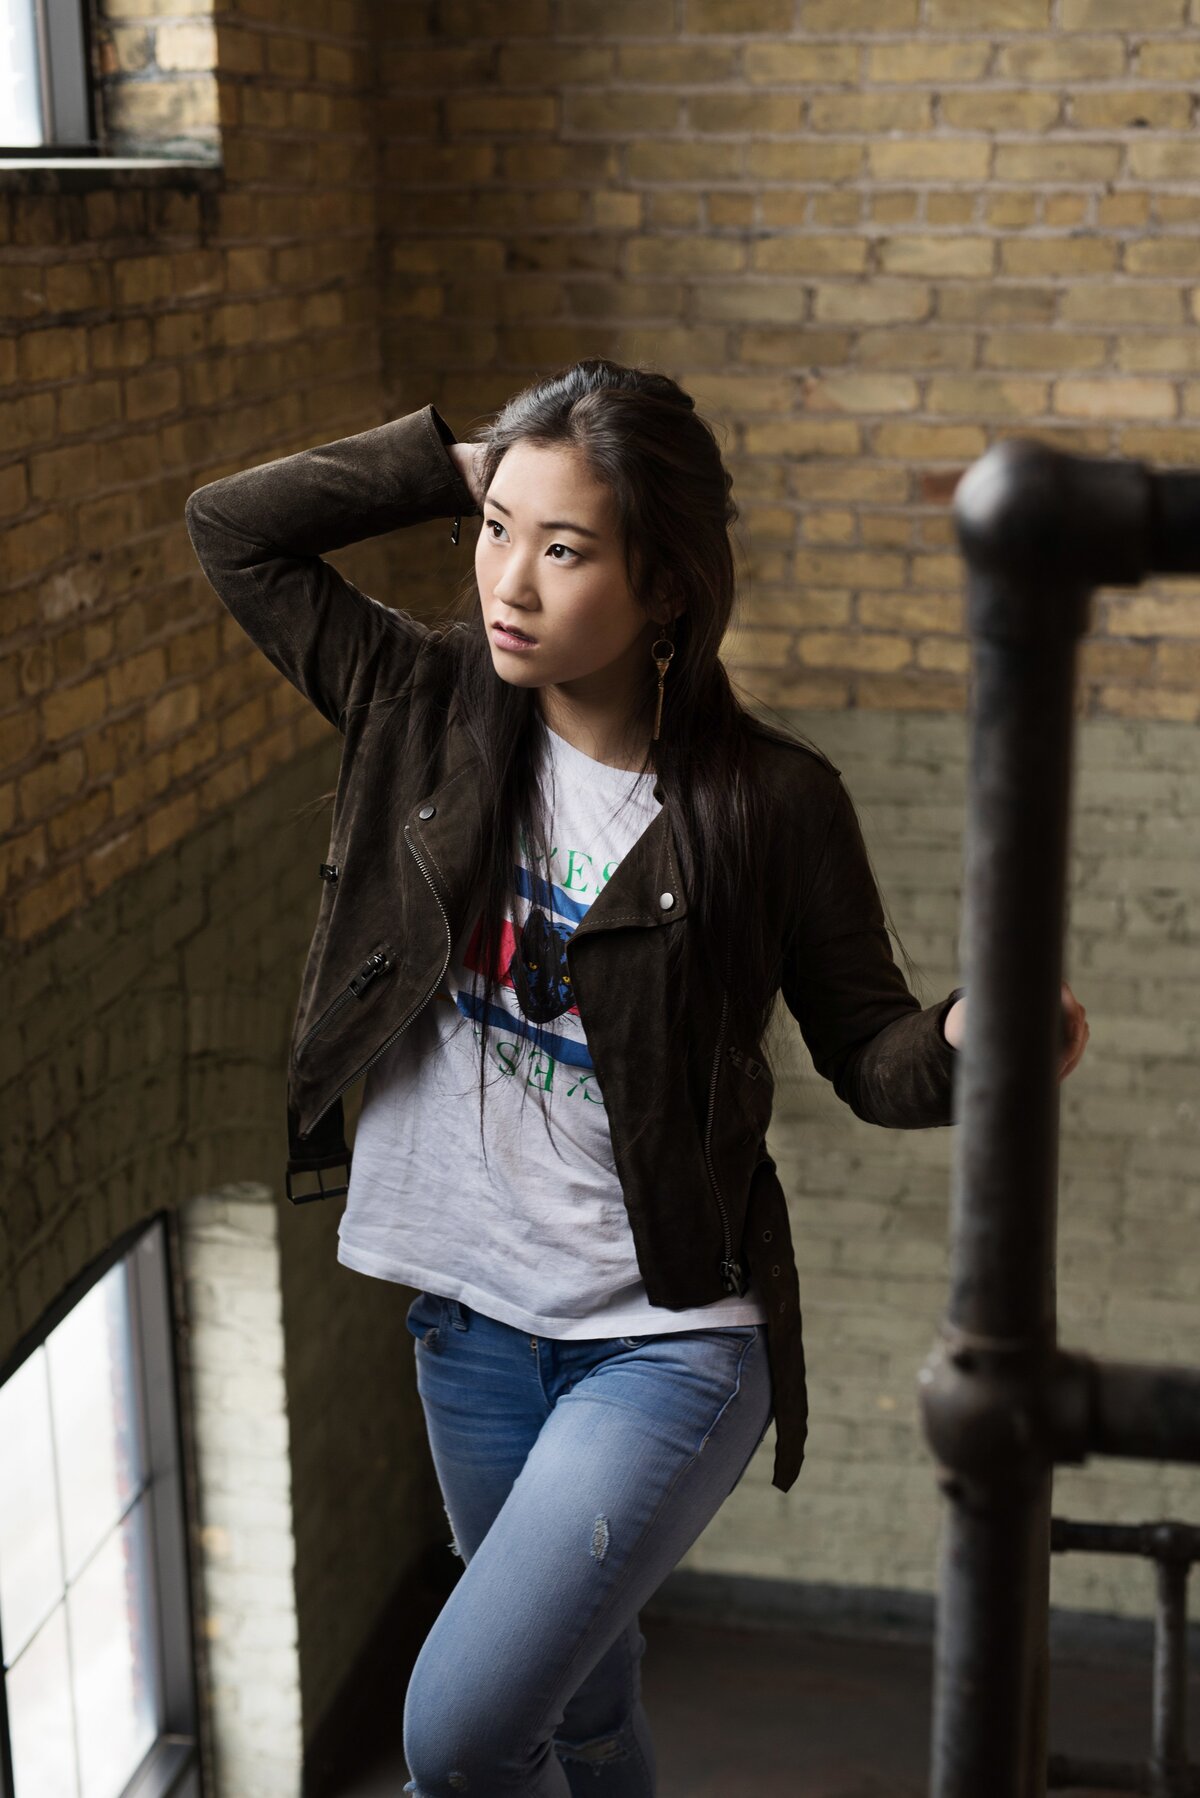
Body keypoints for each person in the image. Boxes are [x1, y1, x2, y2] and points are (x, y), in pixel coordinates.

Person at [184, 358, 1089, 1798]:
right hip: (468, 1327)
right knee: (583, 1712)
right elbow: (230, 526)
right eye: (498, 531)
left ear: (665, 586)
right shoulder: (418, 701)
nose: (511, 581)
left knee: (462, 1734)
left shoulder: (767, 803)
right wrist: (465, 461)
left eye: (565, 546)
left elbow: (870, 1051)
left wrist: (975, 1041)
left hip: (664, 1336)